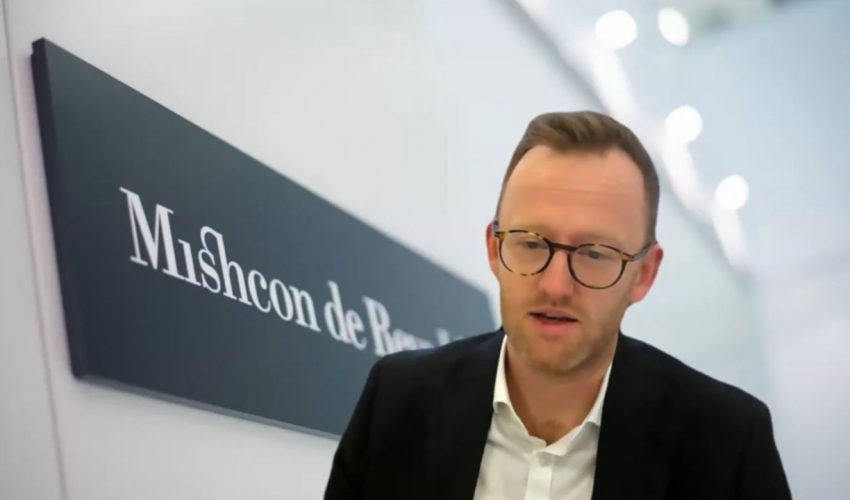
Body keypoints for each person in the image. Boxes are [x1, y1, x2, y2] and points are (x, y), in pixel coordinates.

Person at [324, 111, 791, 500]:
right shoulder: (397, 401)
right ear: (494, 249)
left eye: (594, 254)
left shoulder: (729, 444)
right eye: (531, 244)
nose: (556, 285)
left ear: (644, 274)